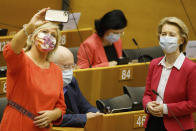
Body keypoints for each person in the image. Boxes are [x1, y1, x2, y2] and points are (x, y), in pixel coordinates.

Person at [0, 8, 66, 131]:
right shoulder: (21, 61)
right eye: (45, 32)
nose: (48, 37)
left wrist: (53, 114)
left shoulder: (56, 70)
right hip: (17, 124)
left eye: (53, 35)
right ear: (34, 36)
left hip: (43, 128)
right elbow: (11, 50)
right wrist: (30, 26)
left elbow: (60, 106)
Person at [142, 17, 196, 131]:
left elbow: (193, 104)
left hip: (178, 126)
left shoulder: (191, 68)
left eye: (171, 35)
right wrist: (148, 105)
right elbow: (147, 94)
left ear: (181, 40)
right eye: (163, 34)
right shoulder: (154, 64)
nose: (166, 38)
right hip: (153, 123)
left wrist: (166, 109)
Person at [50, 46, 102, 127]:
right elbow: (52, 119)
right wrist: (84, 117)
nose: (70, 71)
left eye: (72, 66)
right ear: (50, 66)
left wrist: (96, 113)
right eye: (66, 66)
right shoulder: (42, 88)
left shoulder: (71, 81)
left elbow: (84, 105)